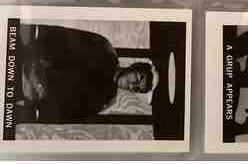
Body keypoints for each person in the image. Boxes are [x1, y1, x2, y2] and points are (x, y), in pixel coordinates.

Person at [19, 24, 155, 123]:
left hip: (29, 94)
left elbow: (66, 114)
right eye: (137, 78)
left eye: (136, 89)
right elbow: (59, 37)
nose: (132, 85)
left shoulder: (107, 100)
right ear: (133, 67)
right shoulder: (105, 49)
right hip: (27, 59)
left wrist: (37, 98)